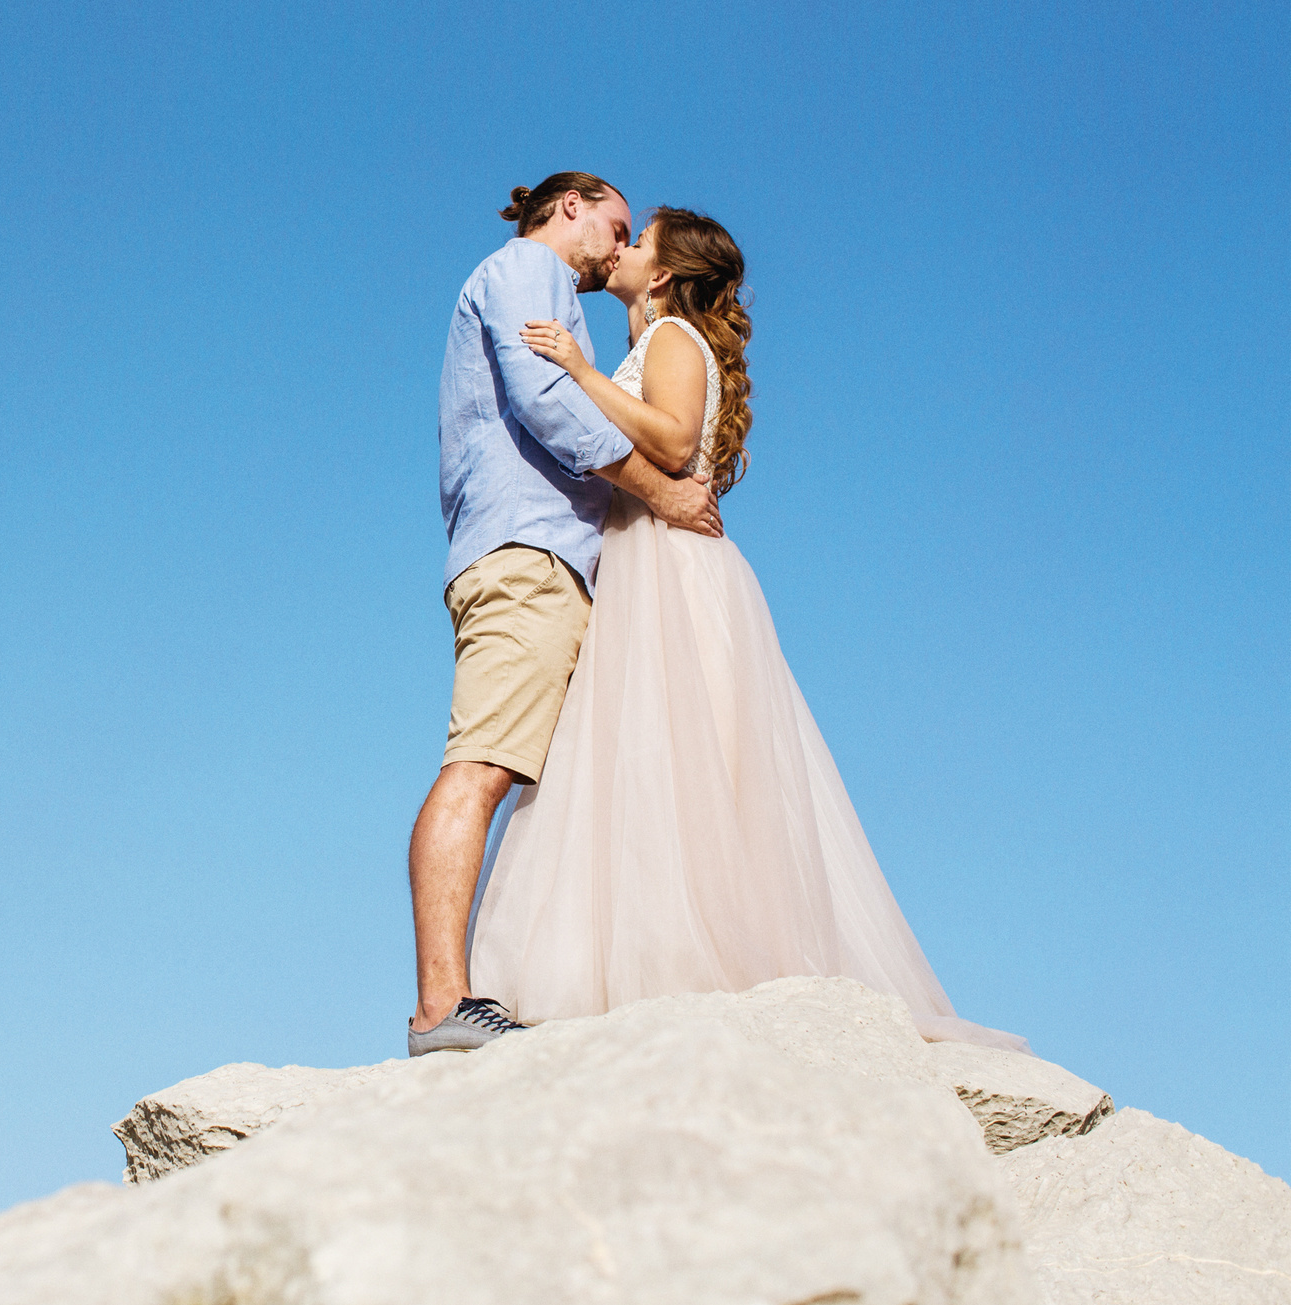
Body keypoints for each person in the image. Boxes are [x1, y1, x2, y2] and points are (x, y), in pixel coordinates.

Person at [470, 206, 1026, 1052]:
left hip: (668, 565)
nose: (620, 250)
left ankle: (680, 965)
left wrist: (579, 370)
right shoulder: (655, 343)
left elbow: (675, 437)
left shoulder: (670, 341)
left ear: (661, 275)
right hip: (643, 558)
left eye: (638, 240)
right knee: (643, 763)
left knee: (671, 757)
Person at [408, 176, 724, 1054]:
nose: (615, 249)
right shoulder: (529, 272)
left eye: (634, 237)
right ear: (572, 205)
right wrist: (663, 492)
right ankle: (443, 1006)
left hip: (542, 557)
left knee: (521, 777)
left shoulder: (554, 297)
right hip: (527, 555)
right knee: (481, 766)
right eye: (614, 225)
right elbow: (549, 405)